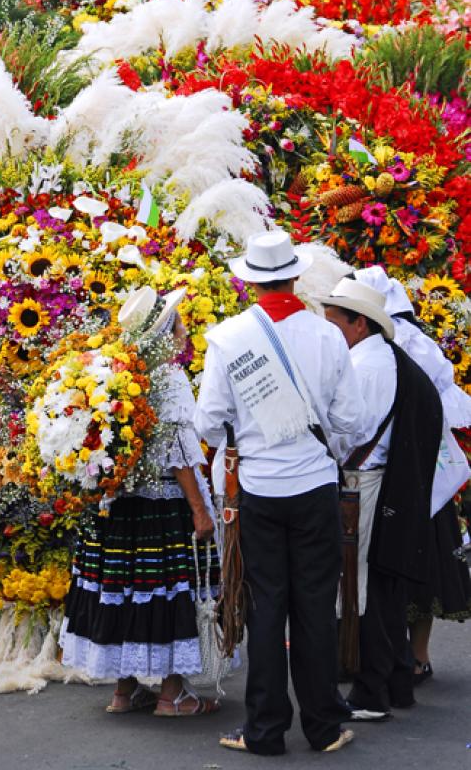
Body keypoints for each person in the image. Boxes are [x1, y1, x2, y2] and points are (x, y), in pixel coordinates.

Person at [194, 230, 366, 755]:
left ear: (249, 280)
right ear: (295, 274)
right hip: (315, 486)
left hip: (259, 491)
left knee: (266, 607)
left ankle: (265, 730)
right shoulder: (327, 335)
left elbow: (208, 420)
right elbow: (351, 422)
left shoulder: (227, 337)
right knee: (314, 607)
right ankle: (324, 726)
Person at [59, 286, 222, 716]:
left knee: (128, 591)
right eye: (179, 323)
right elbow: (180, 453)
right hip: (162, 507)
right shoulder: (166, 377)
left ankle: (124, 691)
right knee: (170, 593)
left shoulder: (113, 371)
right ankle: (172, 696)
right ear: (166, 330)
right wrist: (200, 512)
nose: (185, 330)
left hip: (119, 508)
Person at [321, 277, 443, 717]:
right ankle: (392, 681)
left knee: (362, 587)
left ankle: (371, 691)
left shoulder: (366, 367)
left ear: (359, 324)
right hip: (377, 482)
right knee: (378, 587)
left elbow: (348, 436)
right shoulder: (381, 357)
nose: (328, 328)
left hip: (363, 484)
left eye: (334, 321)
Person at [354, 266, 471, 683]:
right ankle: (416, 656)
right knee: (424, 565)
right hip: (426, 470)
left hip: (397, 474)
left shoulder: (385, 346)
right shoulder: (417, 341)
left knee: (386, 567)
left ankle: (388, 656)